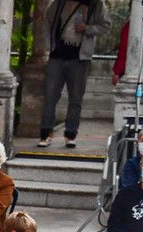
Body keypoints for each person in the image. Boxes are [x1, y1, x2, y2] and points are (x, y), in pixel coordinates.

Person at [38, 0, 110, 148]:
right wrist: (48, 45)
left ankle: (70, 134)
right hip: (57, 55)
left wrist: (88, 28)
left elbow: (106, 26)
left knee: (76, 98)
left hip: (80, 58)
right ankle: (46, 133)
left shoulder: (96, 4)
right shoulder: (58, 3)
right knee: (50, 96)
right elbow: (47, 21)